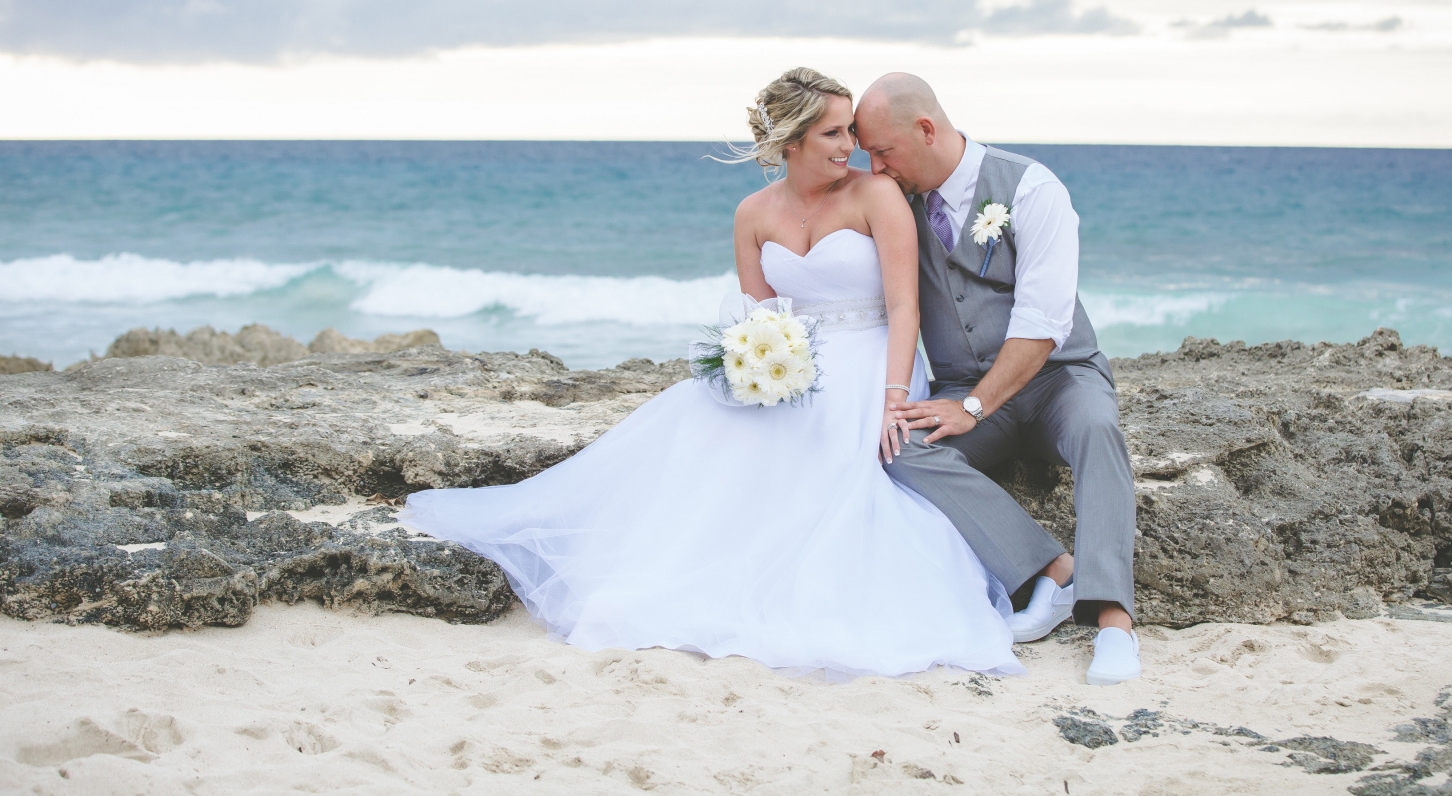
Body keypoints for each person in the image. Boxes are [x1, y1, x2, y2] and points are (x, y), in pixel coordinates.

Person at [400, 68, 1020, 679]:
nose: (850, 146)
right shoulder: (753, 213)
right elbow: (758, 319)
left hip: (873, 361)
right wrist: (754, 368)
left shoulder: (876, 196)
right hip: (797, 364)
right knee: (708, 435)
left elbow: (905, 303)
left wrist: (892, 398)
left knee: (832, 462)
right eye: (833, 133)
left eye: (850, 131)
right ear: (791, 141)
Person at [852, 72, 1142, 686]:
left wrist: (974, 408)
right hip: (963, 385)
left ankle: (1113, 621)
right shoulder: (893, 202)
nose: (875, 168)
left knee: (1098, 430)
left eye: (883, 151)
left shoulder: (1032, 188)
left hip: (1060, 379)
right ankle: (1051, 569)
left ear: (926, 129)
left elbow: (1043, 323)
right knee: (900, 451)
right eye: (866, 155)